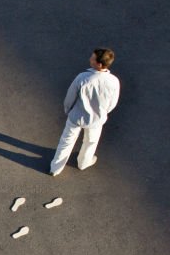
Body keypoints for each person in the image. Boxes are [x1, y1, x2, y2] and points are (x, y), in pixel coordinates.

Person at [50, 48, 120, 176]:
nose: (89, 59)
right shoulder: (114, 81)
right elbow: (112, 103)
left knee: (66, 141)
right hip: (96, 120)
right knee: (90, 142)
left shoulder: (82, 78)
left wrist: (68, 109)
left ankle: (56, 168)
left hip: (76, 117)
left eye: (92, 58)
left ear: (99, 64)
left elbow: (70, 97)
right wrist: (103, 113)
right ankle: (83, 163)